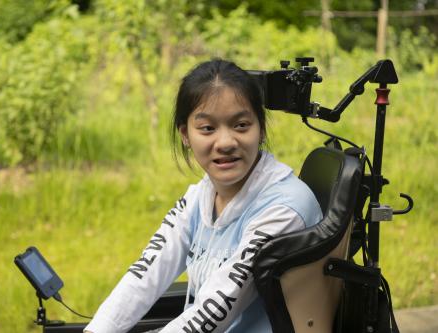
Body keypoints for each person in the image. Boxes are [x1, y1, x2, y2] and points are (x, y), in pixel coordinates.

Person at [84, 59, 323, 333]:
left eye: (241, 125)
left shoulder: (285, 209)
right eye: (207, 128)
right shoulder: (200, 196)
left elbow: (218, 307)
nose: (225, 143)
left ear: (261, 129)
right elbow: (147, 272)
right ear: (185, 134)